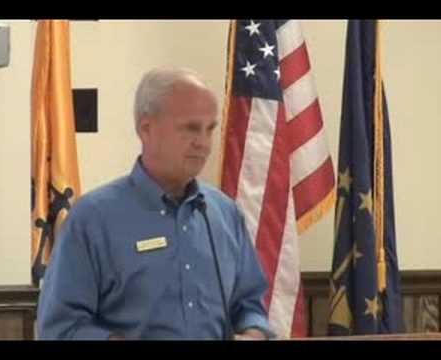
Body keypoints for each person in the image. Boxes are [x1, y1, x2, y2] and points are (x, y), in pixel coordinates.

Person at [36, 67, 274, 340]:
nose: (204, 143)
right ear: (146, 129)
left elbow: (250, 304)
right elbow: (60, 328)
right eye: (191, 128)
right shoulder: (92, 219)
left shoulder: (225, 213)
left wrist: (254, 333)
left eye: (210, 129)